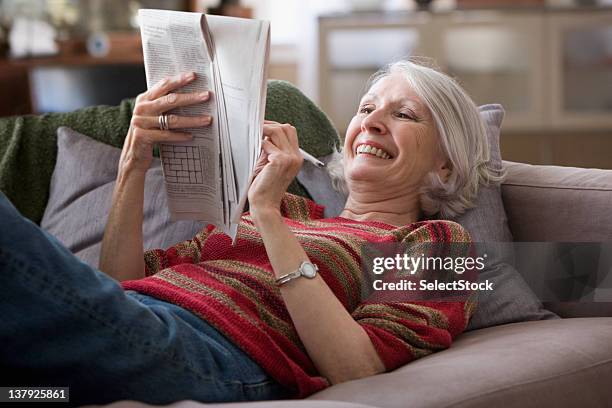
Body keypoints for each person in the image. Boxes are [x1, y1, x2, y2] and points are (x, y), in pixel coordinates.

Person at [0, 59, 500, 406]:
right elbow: (120, 283)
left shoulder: (438, 243)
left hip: (210, 356)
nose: (371, 124)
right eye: (366, 109)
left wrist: (264, 211)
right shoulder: (295, 211)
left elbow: (357, 368)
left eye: (404, 114)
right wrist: (134, 159)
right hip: (135, 320)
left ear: (446, 162)